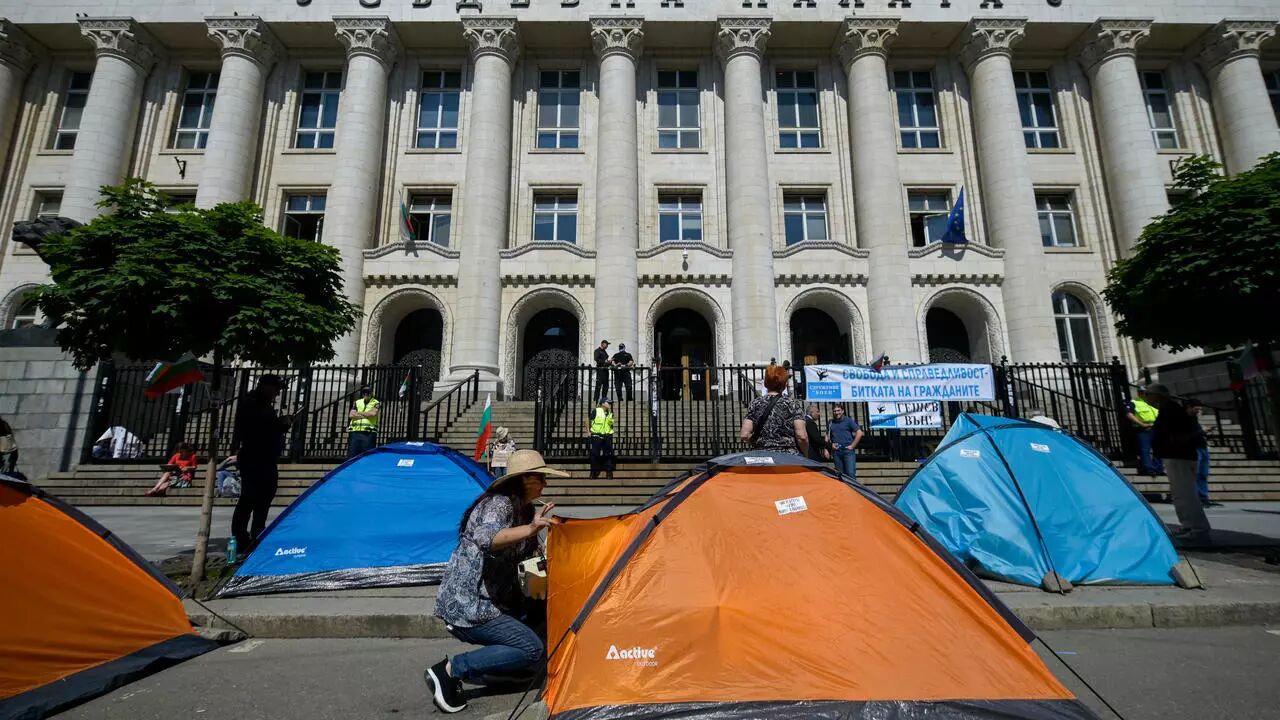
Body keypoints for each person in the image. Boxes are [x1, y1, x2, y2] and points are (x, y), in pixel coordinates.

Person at [426, 449, 566, 714]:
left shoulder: (524, 509)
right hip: (470, 603)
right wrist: (530, 530)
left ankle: (501, 672)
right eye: (541, 478)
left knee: (543, 620)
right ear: (525, 479)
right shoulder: (498, 504)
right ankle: (449, 670)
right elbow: (488, 537)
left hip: (496, 600)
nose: (545, 484)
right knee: (530, 649)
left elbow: (532, 562)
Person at [231, 374, 294, 552]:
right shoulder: (252, 404)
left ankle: (257, 533)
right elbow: (259, 430)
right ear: (266, 387)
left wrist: (282, 425)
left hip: (266, 457)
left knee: (265, 496)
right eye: (275, 389)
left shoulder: (262, 405)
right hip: (255, 457)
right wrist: (280, 424)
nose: (276, 394)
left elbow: (269, 428)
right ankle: (241, 538)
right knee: (249, 498)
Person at [1147, 384, 1211, 542]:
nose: (1146, 398)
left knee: (1186, 494)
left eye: (1148, 394)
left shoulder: (1172, 410)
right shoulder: (1169, 409)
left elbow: (1177, 433)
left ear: (1158, 395)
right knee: (1180, 494)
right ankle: (1188, 525)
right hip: (1174, 454)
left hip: (1179, 455)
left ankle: (1198, 527)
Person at [740, 365, 808, 456]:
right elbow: (801, 436)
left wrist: (758, 442)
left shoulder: (755, 403)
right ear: (784, 384)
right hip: (788, 456)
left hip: (762, 455)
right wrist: (805, 454)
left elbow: (744, 434)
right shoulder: (792, 404)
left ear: (765, 383)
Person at [1186, 399, 1220, 508]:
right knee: (1195, 474)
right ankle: (1196, 498)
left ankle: (1203, 497)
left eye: (1200, 409)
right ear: (1189, 407)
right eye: (1196, 408)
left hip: (1202, 447)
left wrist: (1204, 431)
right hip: (1194, 448)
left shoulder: (1194, 419)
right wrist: (1203, 431)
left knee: (1203, 474)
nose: (1198, 411)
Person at [1126, 387, 1164, 476]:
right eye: (1143, 393)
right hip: (1143, 428)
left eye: (1147, 393)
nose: (1146, 395)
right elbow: (1129, 414)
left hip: (1155, 427)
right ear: (1139, 393)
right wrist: (1141, 424)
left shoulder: (1152, 403)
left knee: (1158, 449)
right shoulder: (1134, 402)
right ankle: (1149, 469)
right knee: (1145, 450)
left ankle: (1159, 469)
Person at [828, 405, 863, 479]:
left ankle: (853, 490)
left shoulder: (848, 420)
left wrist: (852, 446)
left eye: (838, 410)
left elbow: (859, 433)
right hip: (836, 451)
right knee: (839, 474)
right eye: (835, 411)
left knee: (850, 474)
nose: (837, 413)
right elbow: (827, 436)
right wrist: (827, 448)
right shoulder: (831, 422)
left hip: (847, 451)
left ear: (842, 411)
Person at [347, 384, 380, 458]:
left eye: (368, 392)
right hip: (355, 432)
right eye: (364, 392)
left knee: (367, 456)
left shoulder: (376, 402)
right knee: (352, 455)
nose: (366, 394)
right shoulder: (358, 402)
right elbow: (351, 415)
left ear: (371, 393)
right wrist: (366, 415)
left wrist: (358, 413)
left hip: (368, 433)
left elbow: (373, 413)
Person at [586, 400, 615, 480]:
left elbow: (610, 424)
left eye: (610, 403)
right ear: (602, 404)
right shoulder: (596, 411)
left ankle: (609, 472)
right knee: (595, 454)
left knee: (608, 454)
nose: (610, 404)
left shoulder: (610, 413)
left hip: (607, 435)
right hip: (597, 435)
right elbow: (588, 420)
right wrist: (588, 431)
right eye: (608, 403)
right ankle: (593, 472)